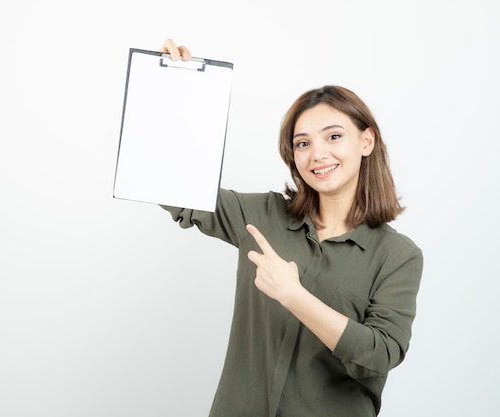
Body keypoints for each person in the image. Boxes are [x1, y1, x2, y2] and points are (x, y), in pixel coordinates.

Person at [155, 39, 423, 417]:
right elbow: (172, 188)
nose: (317, 154)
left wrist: (293, 296)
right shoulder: (263, 214)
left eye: (333, 136)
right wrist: (178, 92)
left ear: (366, 140)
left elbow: (380, 354)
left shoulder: (397, 255)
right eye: (302, 143)